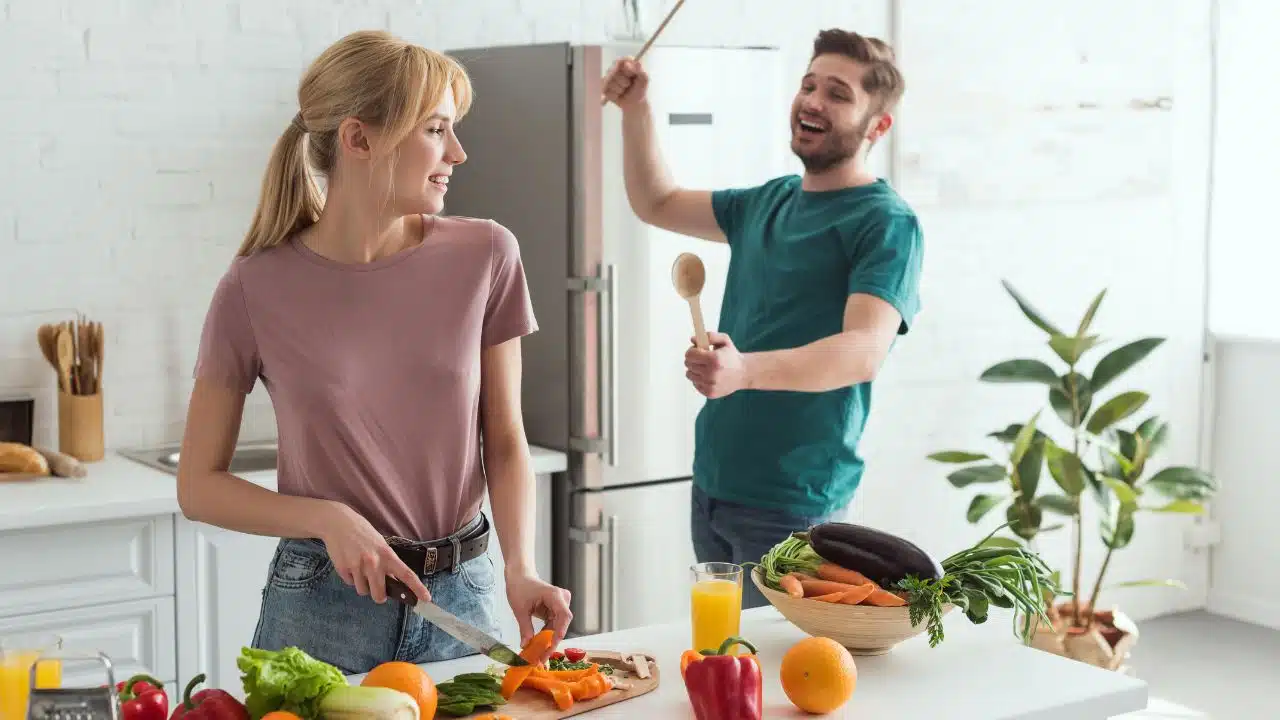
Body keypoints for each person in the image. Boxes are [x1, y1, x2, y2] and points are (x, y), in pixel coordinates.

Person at [176, 30, 571, 673]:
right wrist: (329, 518)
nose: (459, 153)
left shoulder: (488, 255)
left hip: (463, 594)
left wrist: (521, 569)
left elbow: (504, 438)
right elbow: (198, 486)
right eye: (437, 129)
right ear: (360, 140)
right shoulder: (254, 286)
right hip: (321, 607)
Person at [603, 29, 924, 609]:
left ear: (878, 127)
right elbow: (655, 200)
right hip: (715, 483)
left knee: (781, 681)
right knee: (731, 658)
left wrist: (745, 369)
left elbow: (863, 350)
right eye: (808, 85)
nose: (813, 101)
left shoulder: (886, 222)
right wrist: (636, 109)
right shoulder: (767, 202)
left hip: (797, 499)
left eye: (838, 93)